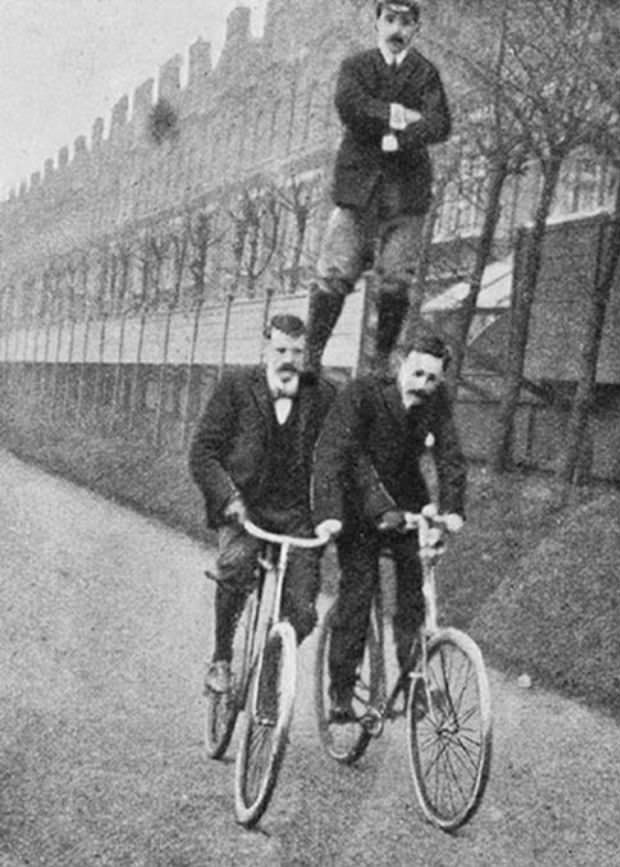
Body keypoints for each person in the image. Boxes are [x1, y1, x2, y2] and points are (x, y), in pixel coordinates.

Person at [312, 331, 466, 721]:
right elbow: (347, 456)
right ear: (401, 365)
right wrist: (380, 510)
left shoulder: (435, 401)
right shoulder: (363, 393)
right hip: (358, 503)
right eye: (417, 374)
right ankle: (342, 692)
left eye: (432, 379)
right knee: (359, 591)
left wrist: (452, 509)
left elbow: (450, 455)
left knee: (415, 590)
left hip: (406, 500)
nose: (423, 386)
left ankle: (414, 682)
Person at [190, 314, 335, 693]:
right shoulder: (236, 386)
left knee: (303, 611)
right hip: (246, 509)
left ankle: (270, 672)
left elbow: (338, 460)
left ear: (307, 356)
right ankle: (221, 658)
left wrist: (331, 513)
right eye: (281, 349)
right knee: (236, 567)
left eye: (298, 352)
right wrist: (230, 498)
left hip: (298, 515)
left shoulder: (323, 395)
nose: (289, 359)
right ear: (265, 349)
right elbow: (203, 452)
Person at [306, 0, 451, 373]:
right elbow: (349, 106)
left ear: (416, 28)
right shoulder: (356, 67)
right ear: (377, 23)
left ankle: (379, 363)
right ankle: (311, 356)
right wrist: (401, 115)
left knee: (396, 279)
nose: (396, 30)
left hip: (406, 189)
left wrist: (397, 139)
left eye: (405, 22)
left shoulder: (425, 74)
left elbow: (439, 124)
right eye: (389, 20)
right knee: (334, 271)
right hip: (359, 187)